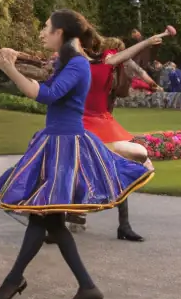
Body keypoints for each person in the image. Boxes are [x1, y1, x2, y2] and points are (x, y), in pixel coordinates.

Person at [0, 9, 154, 299]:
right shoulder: (70, 61)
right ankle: (85, 287)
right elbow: (48, 91)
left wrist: (9, 68)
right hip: (55, 141)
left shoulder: (77, 64)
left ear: (60, 33)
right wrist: (7, 63)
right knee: (49, 220)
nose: (41, 32)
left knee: (45, 217)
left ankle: (16, 279)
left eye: (46, 27)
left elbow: (46, 95)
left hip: (65, 145)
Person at [75, 27, 174, 242]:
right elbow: (131, 64)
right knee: (83, 166)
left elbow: (135, 68)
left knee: (109, 166)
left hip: (102, 121)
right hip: (89, 121)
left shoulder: (109, 64)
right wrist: (147, 42)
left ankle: (119, 223)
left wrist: (150, 82)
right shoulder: (103, 62)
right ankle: (74, 214)